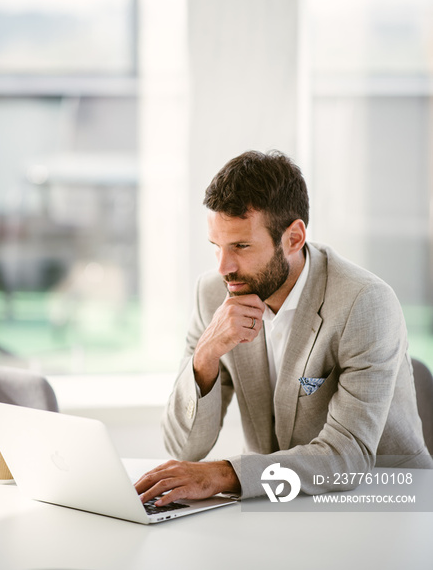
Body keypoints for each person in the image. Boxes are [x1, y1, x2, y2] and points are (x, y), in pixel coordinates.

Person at [135, 150, 432, 507]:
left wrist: (225, 474)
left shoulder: (365, 303)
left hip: (385, 501)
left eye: (241, 246)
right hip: (274, 502)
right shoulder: (213, 292)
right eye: (217, 247)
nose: (224, 267)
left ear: (293, 238)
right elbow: (184, 448)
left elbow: (347, 457)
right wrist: (205, 356)